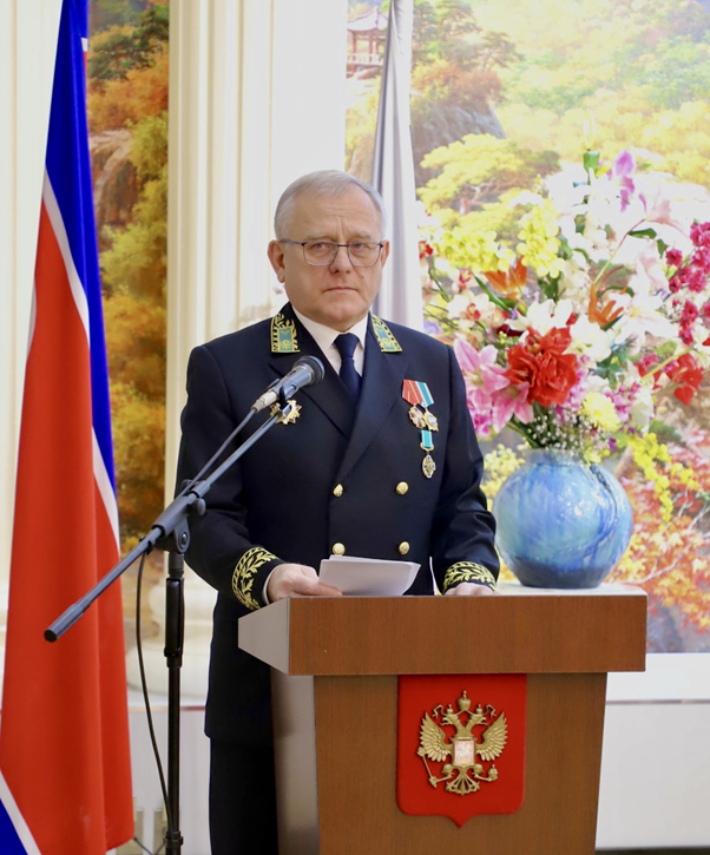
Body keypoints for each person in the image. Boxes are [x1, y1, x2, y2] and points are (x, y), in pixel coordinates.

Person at [175, 171, 500, 855]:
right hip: (271, 687)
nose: (342, 262)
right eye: (319, 244)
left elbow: (463, 502)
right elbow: (203, 517)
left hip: (403, 683)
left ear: (385, 256)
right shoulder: (231, 367)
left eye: (360, 245)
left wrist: (470, 578)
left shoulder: (430, 363)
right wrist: (268, 578)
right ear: (279, 258)